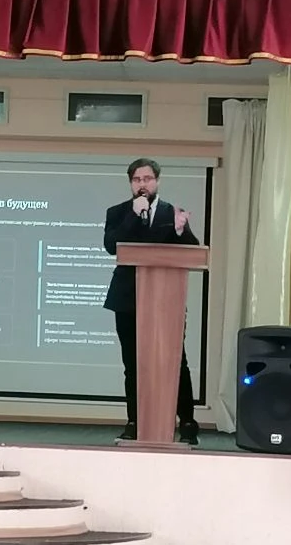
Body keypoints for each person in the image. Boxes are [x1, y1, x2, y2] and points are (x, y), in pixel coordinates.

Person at [102, 157, 200, 446]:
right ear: (131, 184)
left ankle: (188, 422)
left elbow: (193, 251)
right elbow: (112, 246)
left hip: (166, 301)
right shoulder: (118, 212)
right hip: (127, 300)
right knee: (132, 364)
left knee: (176, 361)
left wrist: (181, 231)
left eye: (147, 179)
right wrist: (134, 216)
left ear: (157, 181)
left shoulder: (172, 212)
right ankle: (135, 422)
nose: (142, 184)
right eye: (136, 180)